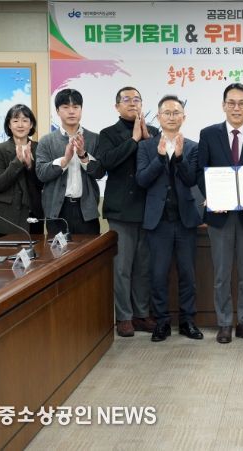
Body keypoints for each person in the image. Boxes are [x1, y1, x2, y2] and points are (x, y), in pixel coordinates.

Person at [197, 83, 243, 344]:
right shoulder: (208, 134)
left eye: (241, 103)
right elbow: (200, 172)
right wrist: (213, 197)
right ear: (223, 105)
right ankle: (225, 323)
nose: (236, 108)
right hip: (220, 216)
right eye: (231, 103)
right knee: (222, 274)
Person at [136, 95, 203, 342]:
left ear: (184, 117)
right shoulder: (145, 147)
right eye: (167, 113)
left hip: (185, 220)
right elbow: (142, 180)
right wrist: (160, 157)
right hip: (158, 221)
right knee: (158, 274)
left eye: (176, 113)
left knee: (188, 274)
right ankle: (162, 322)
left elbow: (192, 179)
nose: (172, 117)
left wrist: (179, 157)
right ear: (158, 116)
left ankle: (188, 322)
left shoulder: (193, 146)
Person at [98, 87, 158, 337]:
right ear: (117, 106)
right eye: (126, 100)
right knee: (122, 267)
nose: (132, 103)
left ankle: (141, 314)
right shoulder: (108, 133)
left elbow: (159, 163)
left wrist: (146, 140)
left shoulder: (153, 132)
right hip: (121, 210)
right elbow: (106, 163)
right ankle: (123, 317)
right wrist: (133, 141)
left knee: (144, 266)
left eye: (137, 99)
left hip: (148, 208)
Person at [36, 89, 104, 235]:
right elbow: (41, 174)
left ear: (81, 110)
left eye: (76, 107)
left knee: (90, 249)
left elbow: (99, 172)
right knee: (57, 250)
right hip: (57, 211)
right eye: (66, 107)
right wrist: (65, 160)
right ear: (57, 111)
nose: (71, 111)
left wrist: (83, 155)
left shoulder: (95, 139)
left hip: (86, 210)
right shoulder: (46, 141)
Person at [0, 104, 44, 238]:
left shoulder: (40, 148)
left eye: (25, 120)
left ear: (31, 124)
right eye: (15, 120)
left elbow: (43, 183)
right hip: (7, 217)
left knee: (36, 251)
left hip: (34, 214)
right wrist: (17, 162)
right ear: (9, 124)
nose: (20, 125)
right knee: (7, 251)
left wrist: (30, 166)